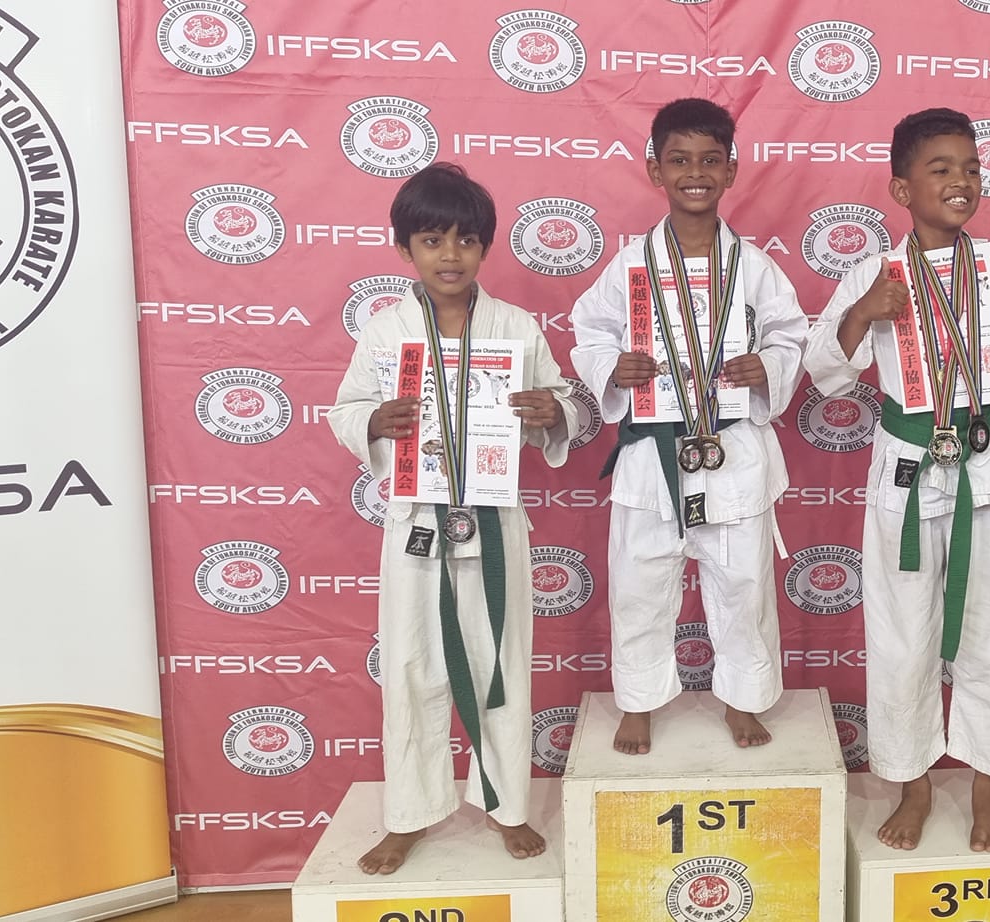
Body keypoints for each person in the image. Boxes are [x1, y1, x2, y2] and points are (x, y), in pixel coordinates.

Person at [806, 107, 990, 853]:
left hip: (983, 466)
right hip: (908, 468)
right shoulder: (875, 272)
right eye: (941, 169)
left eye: (972, 168)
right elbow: (825, 372)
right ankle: (912, 782)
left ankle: (989, 784)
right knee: (902, 634)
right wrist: (863, 313)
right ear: (902, 189)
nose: (962, 181)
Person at [329, 162, 577, 873]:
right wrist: (373, 419)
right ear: (404, 248)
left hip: (494, 521)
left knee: (502, 663)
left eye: (466, 240)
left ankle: (507, 805)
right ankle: (410, 814)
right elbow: (345, 410)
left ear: (485, 248)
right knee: (411, 665)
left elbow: (566, 402)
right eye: (432, 240)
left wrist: (552, 410)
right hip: (416, 523)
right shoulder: (386, 331)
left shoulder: (516, 326)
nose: (450, 255)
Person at [570, 98, 807, 754]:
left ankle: (742, 698)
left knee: (744, 584)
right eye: (679, 160)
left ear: (731, 170)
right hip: (652, 453)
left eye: (709, 160)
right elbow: (589, 330)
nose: (694, 173)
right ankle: (640, 700)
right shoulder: (631, 265)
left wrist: (769, 365)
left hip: (732, 449)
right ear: (656, 170)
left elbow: (791, 333)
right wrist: (614, 367)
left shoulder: (753, 267)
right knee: (640, 584)